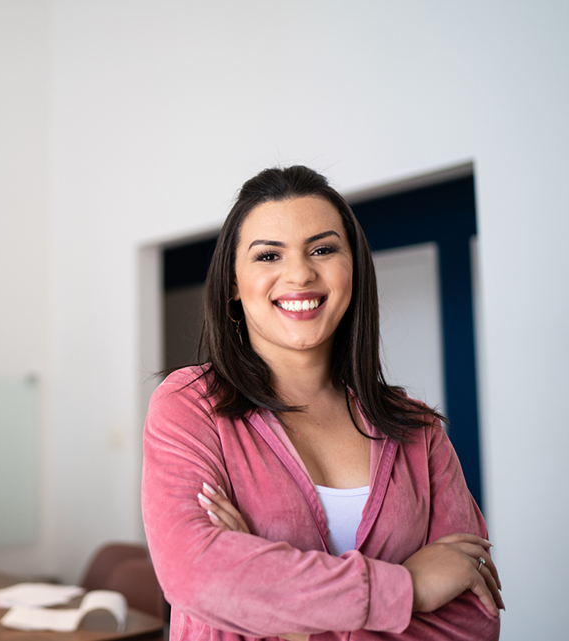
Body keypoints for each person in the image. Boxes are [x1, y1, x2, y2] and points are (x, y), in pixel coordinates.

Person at [140, 166, 502, 641]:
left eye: (323, 249)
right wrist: (408, 586)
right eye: (268, 255)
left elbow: (474, 620)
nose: (299, 273)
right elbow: (196, 577)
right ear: (232, 284)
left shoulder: (417, 429)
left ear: (352, 268)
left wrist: (278, 610)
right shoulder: (191, 406)